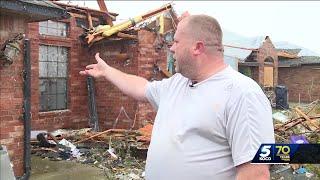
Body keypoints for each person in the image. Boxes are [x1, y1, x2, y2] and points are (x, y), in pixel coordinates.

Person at [80, 14, 274, 180]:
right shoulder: (178, 83)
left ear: (197, 48)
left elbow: (256, 173)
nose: (171, 48)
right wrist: (108, 71)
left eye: (177, 41)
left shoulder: (242, 94)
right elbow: (142, 88)